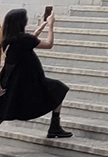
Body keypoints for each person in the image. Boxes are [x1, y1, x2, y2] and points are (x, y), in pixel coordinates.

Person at [0, 9, 71, 138]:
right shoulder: (24, 39)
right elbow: (49, 44)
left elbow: (29, 40)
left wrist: (41, 27)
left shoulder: (8, 40)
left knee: (4, 110)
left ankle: (55, 127)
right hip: (30, 81)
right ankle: (54, 126)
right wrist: (51, 25)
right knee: (59, 88)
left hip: (11, 81)